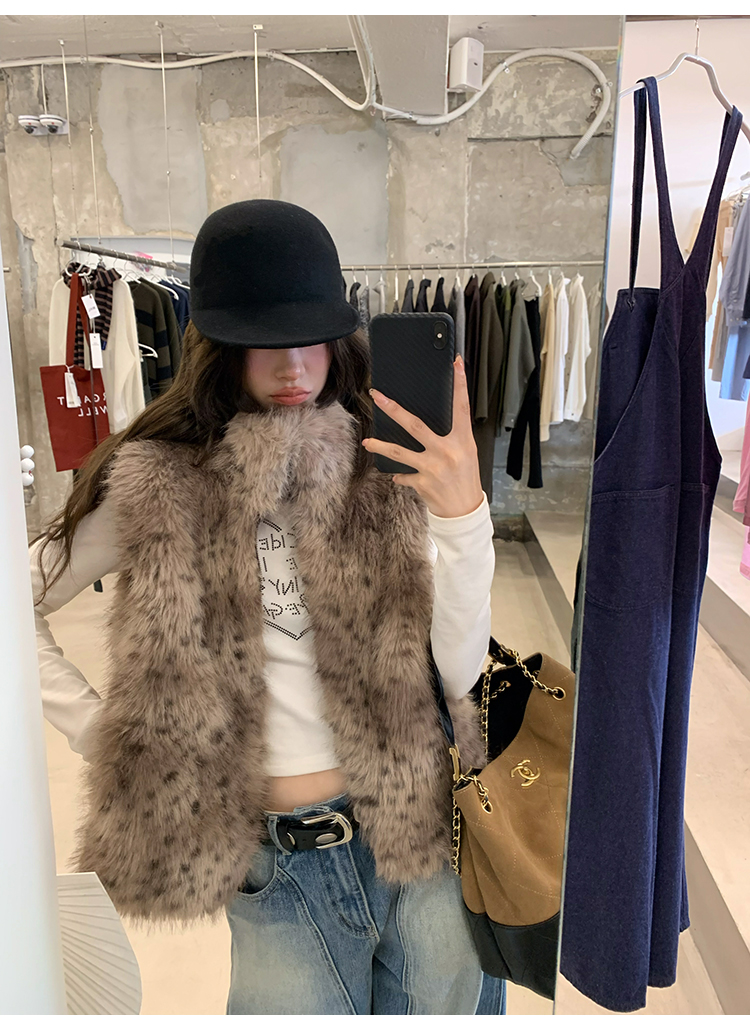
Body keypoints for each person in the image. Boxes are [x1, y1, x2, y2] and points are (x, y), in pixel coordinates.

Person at [31, 200, 504, 1015]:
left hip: (424, 840)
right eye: (262, 340)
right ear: (219, 346)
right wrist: (110, 732)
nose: (292, 365)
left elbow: (457, 675)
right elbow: (18, 597)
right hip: (280, 871)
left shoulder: (385, 461)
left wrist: (464, 520)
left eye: (309, 334)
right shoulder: (162, 481)